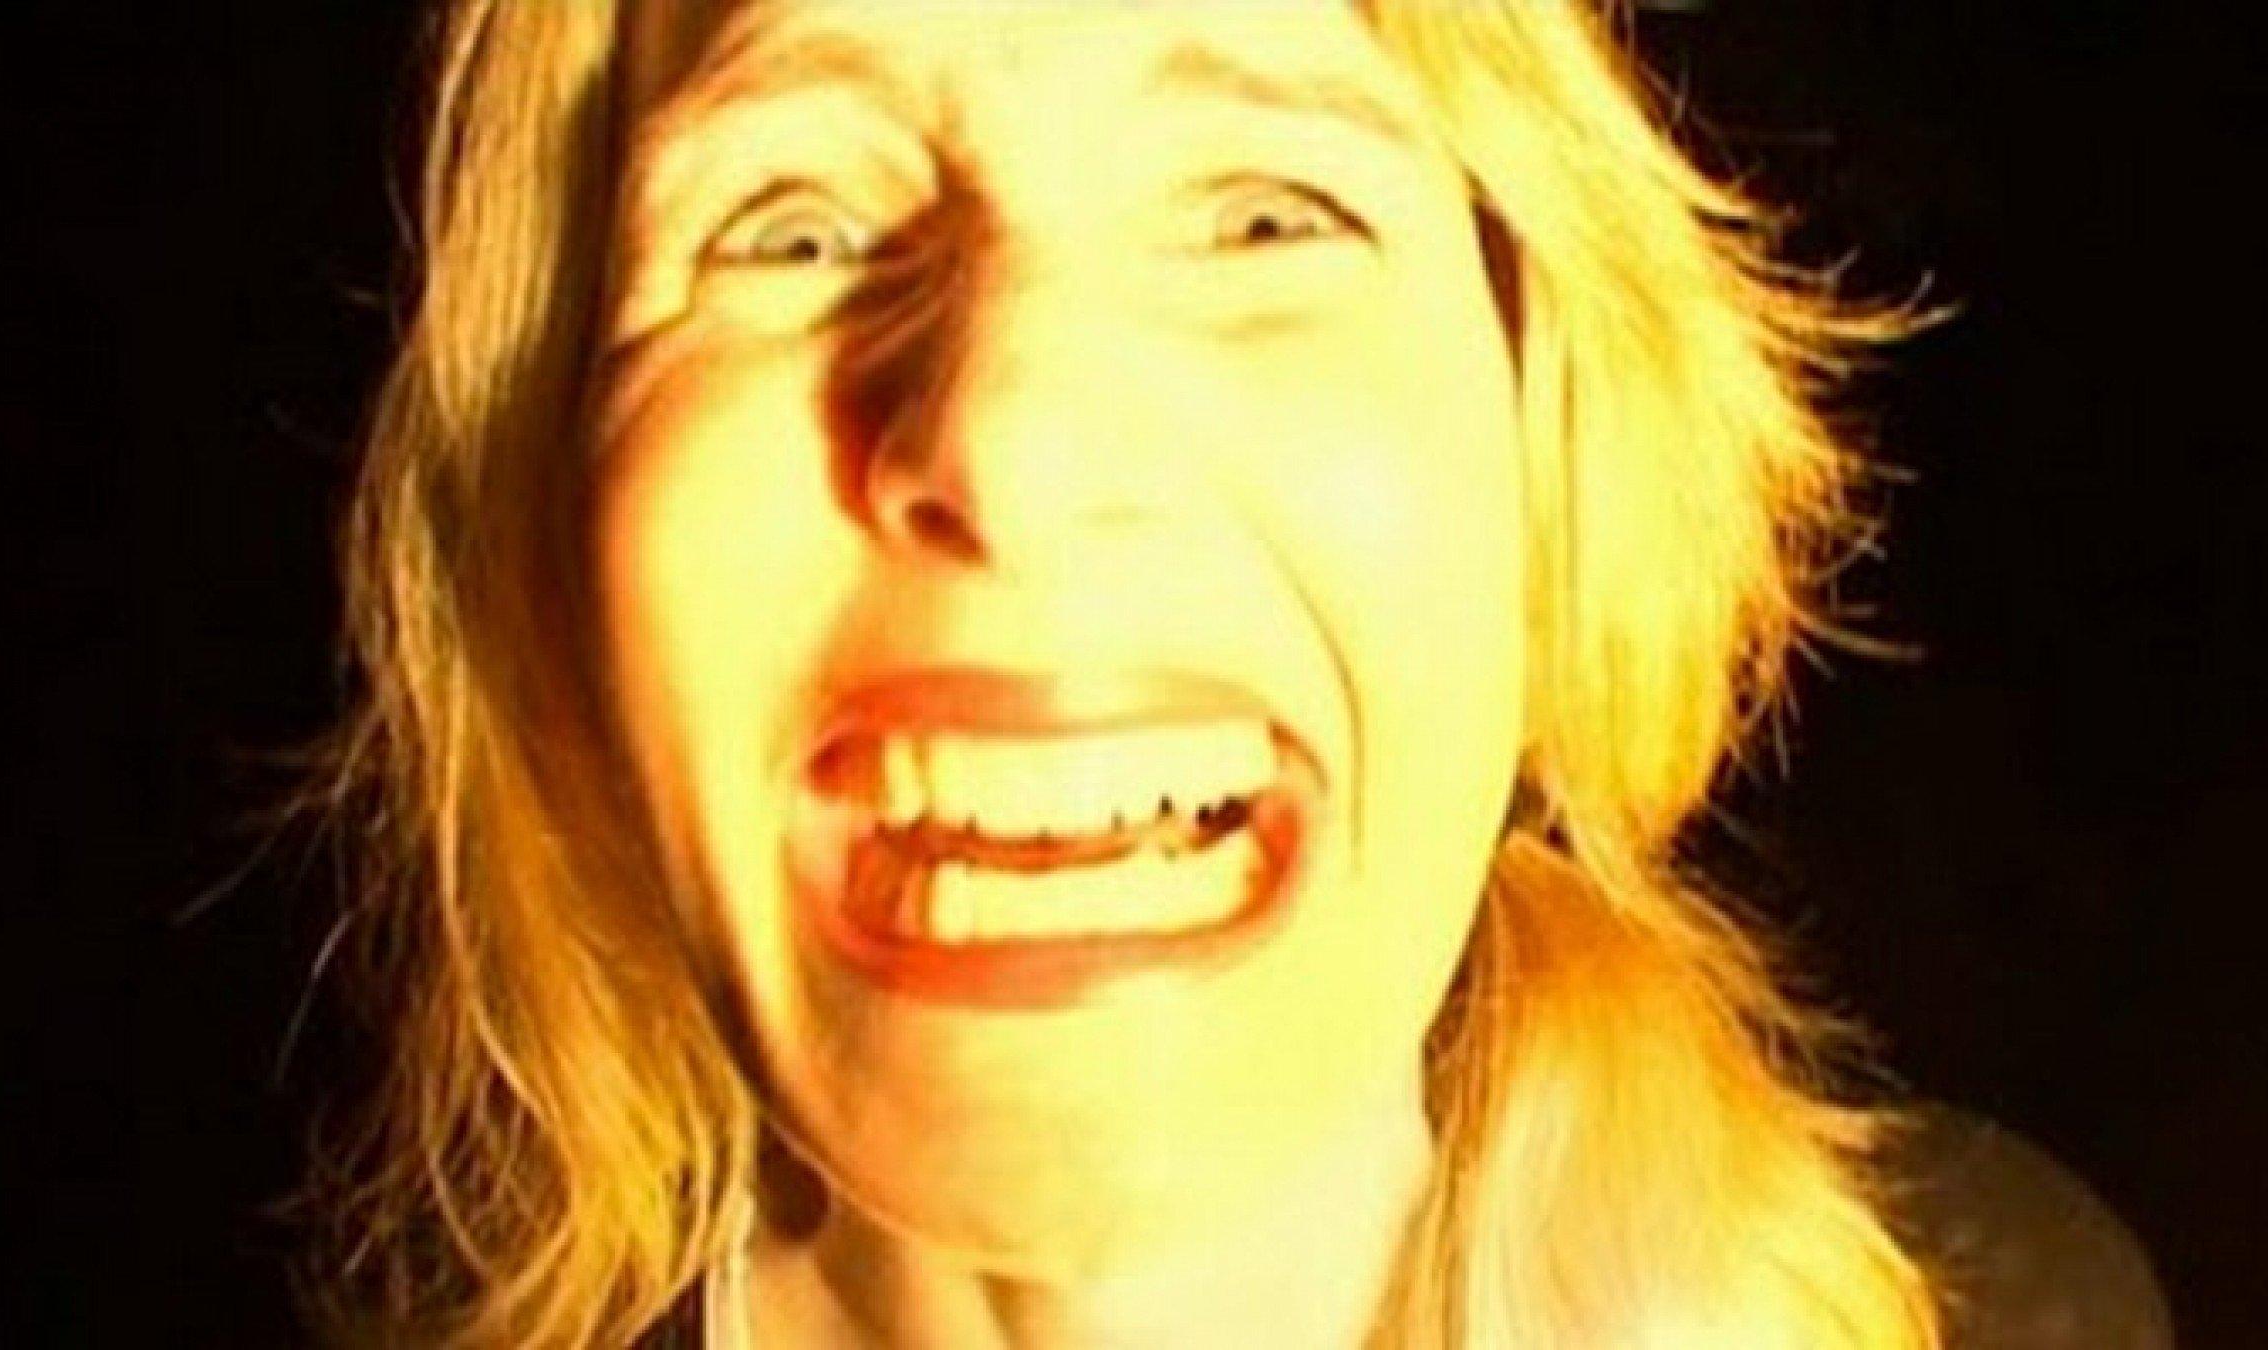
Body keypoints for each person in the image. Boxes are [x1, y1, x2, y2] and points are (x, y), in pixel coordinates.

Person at [294, 1, 2171, 1346]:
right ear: (551, 518)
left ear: (1549, 439)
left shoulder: (2004, 1310)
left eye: (1266, 210)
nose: (1015, 436)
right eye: (792, 223)